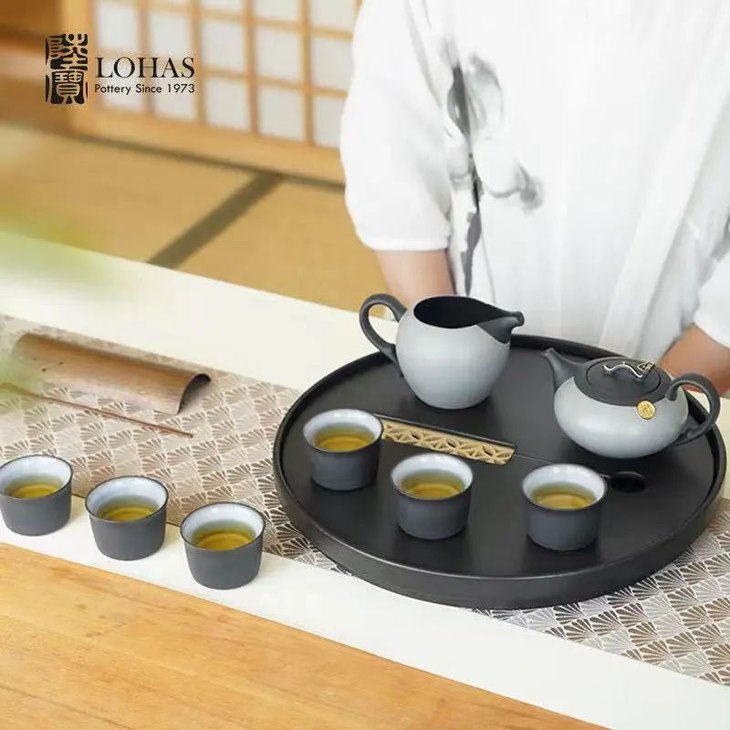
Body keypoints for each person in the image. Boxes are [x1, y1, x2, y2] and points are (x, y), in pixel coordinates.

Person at [341, 0, 730, 393]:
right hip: (466, 354)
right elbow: (391, 160)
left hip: (673, 369)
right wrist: (447, 361)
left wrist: (655, 405)